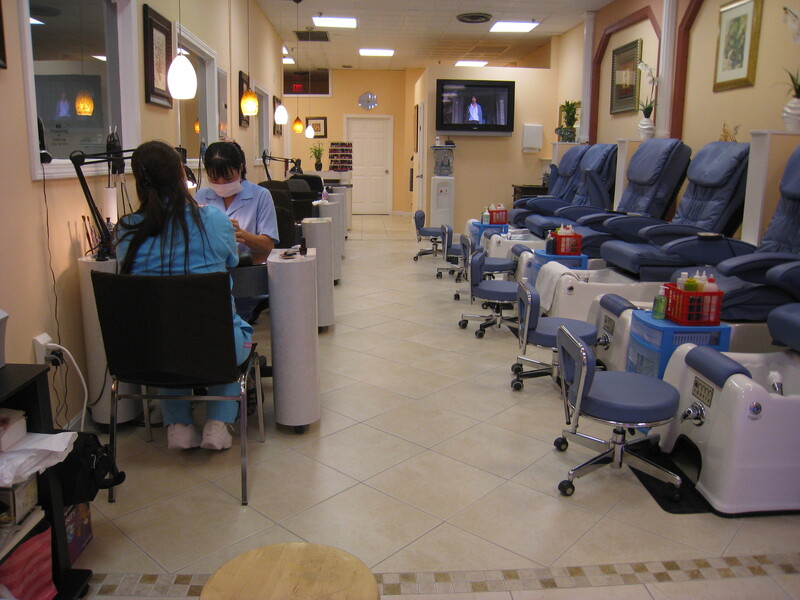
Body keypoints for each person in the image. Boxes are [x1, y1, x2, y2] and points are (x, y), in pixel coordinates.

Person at [115, 140, 252, 451]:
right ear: (182, 172)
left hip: (153, 352)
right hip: (216, 348)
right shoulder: (213, 220)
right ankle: (217, 423)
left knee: (167, 327)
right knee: (222, 327)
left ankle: (178, 424)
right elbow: (232, 260)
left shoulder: (125, 230)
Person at [194, 141, 279, 263]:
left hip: (249, 267)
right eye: (214, 178)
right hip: (211, 267)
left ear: (241, 168)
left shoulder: (260, 196)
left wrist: (242, 234)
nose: (222, 183)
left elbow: (268, 246)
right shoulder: (201, 196)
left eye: (228, 178)